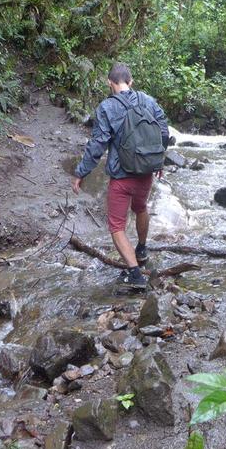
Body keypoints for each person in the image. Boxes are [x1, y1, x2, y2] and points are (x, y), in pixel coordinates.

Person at [70, 62, 170, 288]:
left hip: (121, 177)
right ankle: (142, 249)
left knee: (116, 226)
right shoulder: (148, 100)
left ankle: (134, 273)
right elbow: (163, 132)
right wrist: (158, 160)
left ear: (110, 83)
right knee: (141, 208)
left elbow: (98, 144)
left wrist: (81, 172)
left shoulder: (106, 107)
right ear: (131, 81)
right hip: (146, 173)